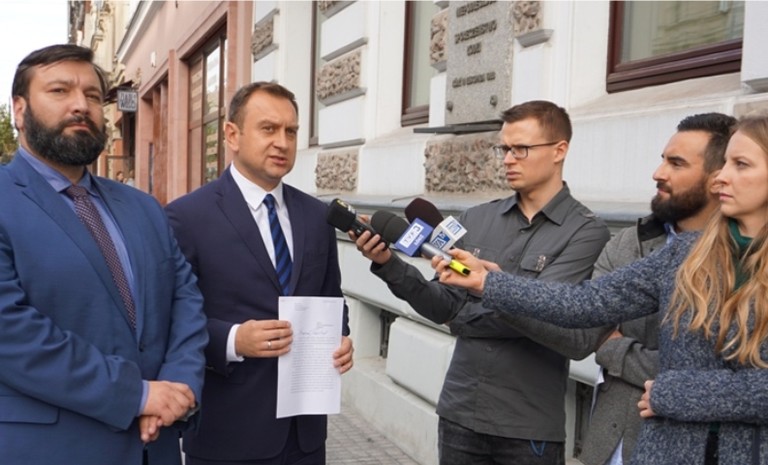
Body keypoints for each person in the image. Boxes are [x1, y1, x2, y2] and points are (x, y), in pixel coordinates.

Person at [435, 114, 768, 465]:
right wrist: (489, 281)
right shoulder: (687, 254)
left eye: (741, 165)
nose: (722, 176)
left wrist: (675, 392)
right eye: (725, 162)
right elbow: (586, 302)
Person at [352, 100, 610, 464]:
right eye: (504, 149)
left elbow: (556, 319)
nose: (508, 160)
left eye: (521, 149)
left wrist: (469, 309)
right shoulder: (476, 218)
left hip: (528, 428)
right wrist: (388, 264)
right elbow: (441, 305)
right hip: (460, 414)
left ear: (559, 150)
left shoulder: (586, 232)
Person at [0, 44, 208, 465]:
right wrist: (137, 395)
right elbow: (11, 333)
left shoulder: (144, 207)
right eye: (60, 91)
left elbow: (185, 299)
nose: (81, 105)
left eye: (93, 95)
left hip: (157, 445)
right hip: (52, 450)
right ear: (19, 111)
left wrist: (179, 385)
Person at [165, 81, 354, 465]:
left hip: (305, 437)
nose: (282, 143)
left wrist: (342, 338)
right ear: (232, 135)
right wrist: (234, 339)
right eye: (268, 129)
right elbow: (170, 318)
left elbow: (331, 298)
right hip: (228, 434)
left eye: (291, 131)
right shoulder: (187, 217)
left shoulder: (317, 216)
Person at [578, 112, 737, 465]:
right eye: (663, 159)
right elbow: (587, 320)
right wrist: (488, 282)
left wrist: (617, 351)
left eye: (676, 163)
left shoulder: (743, 260)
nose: (657, 173)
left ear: (718, 178)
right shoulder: (628, 242)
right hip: (609, 444)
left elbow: (719, 377)